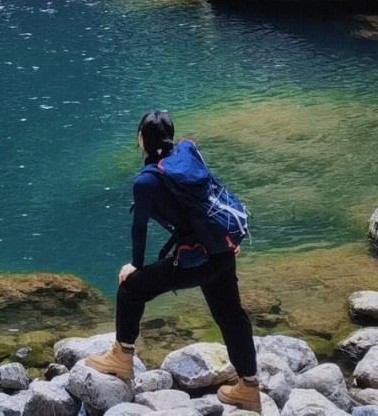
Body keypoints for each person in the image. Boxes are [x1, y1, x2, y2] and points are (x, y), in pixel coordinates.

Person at [86, 110, 261, 412]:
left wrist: (135, 266)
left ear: (142, 138)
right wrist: (226, 239)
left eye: (138, 133)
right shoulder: (186, 153)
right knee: (231, 315)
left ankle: (121, 357)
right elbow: (214, 192)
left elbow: (138, 228)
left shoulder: (146, 181)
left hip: (199, 258)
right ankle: (249, 387)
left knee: (130, 289)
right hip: (219, 250)